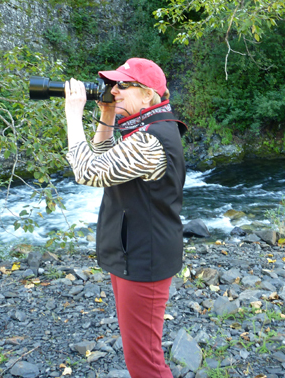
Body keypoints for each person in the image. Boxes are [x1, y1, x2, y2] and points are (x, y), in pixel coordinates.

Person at [64, 57, 186, 378]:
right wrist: (106, 116)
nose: (114, 91)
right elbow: (102, 161)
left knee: (144, 362)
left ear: (147, 95)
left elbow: (87, 171)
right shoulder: (147, 128)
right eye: (112, 85)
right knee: (140, 355)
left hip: (145, 259)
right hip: (132, 252)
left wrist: (73, 115)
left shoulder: (150, 139)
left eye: (123, 85)